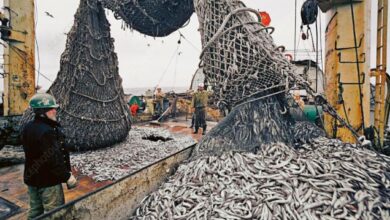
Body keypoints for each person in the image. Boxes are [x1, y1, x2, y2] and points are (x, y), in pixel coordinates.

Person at [21, 93, 77, 219]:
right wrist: (67, 176)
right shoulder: (47, 131)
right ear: (42, 112)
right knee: (55, 213)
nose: (55, 111)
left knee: (35, 212)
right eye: (52, 108)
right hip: (48, 182)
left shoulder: (28, 128)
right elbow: (53, 159)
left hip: (32, 179)